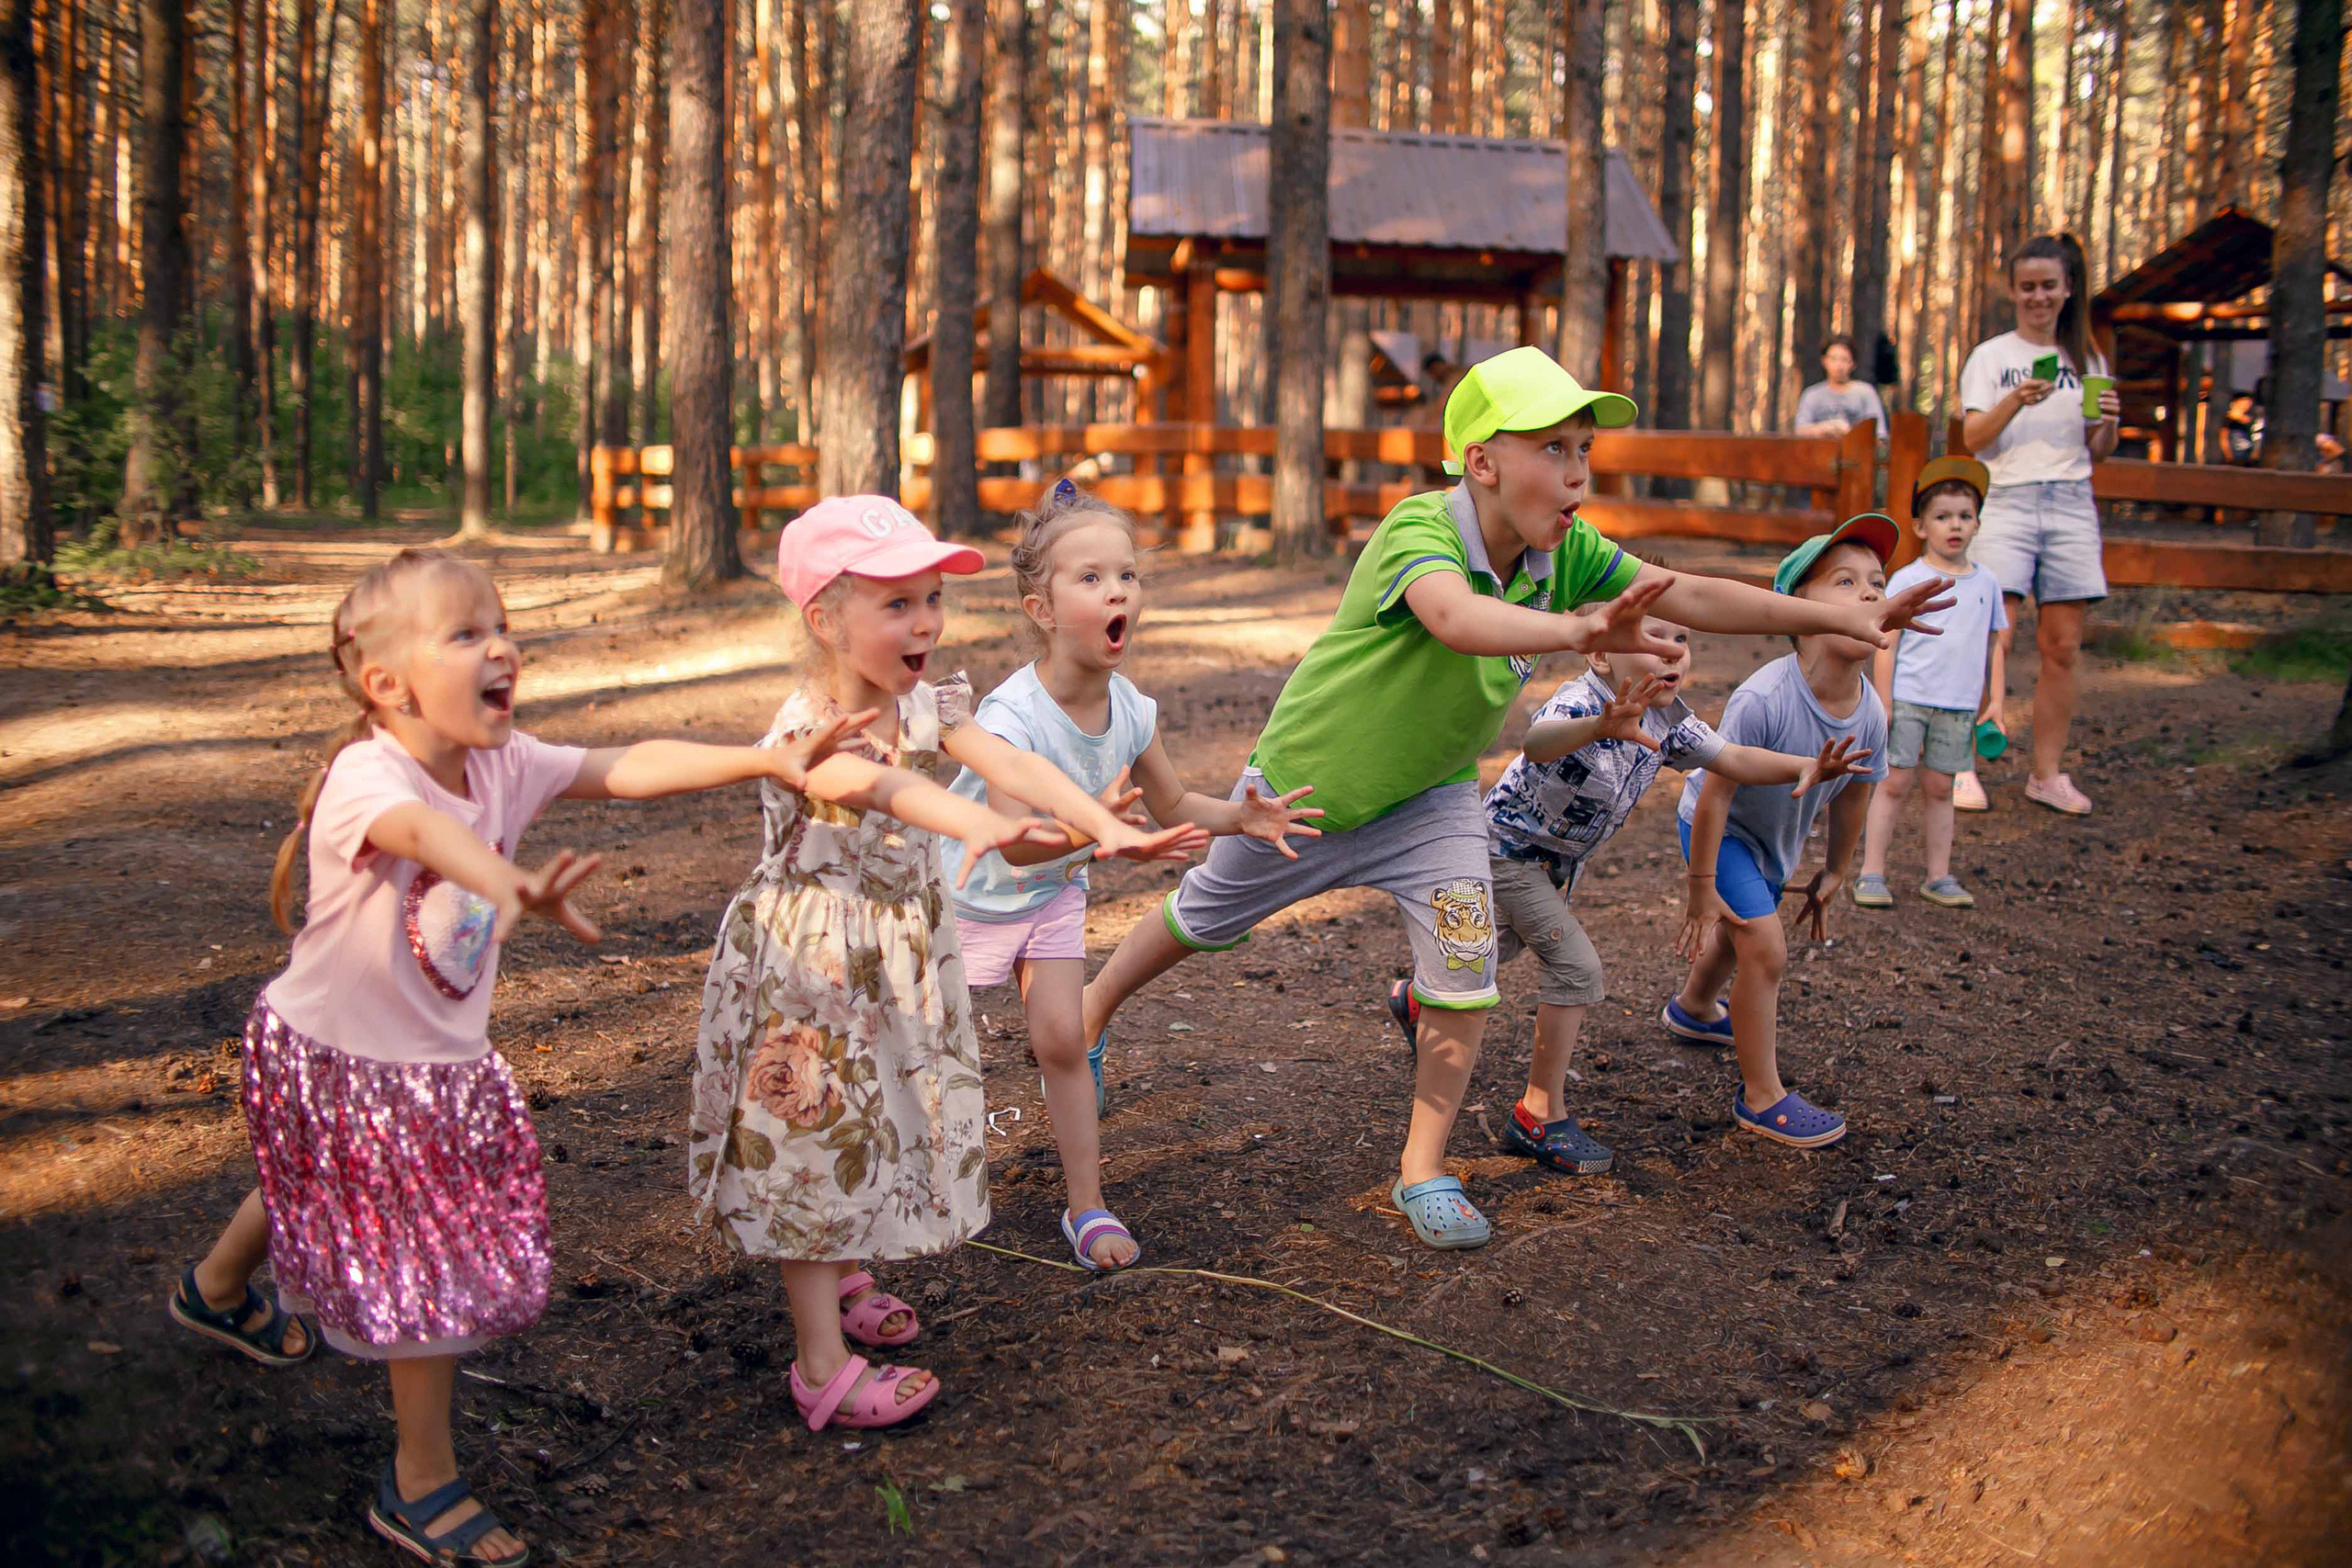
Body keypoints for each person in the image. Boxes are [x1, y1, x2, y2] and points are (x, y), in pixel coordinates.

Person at [1073, 346, 1952, 1250]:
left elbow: (1685, 590)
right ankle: (1090, 1015)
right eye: (1552, 446)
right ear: (1481, 462)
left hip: (1435, 802)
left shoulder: (1563, 550)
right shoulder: (1421, 531)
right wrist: (1574, 628)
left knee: (1462, 982)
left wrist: (1833, 615)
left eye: (1584, 447)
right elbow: (1456, 618)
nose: (1577, 468)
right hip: (1310, 793)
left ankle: (1422, 1168)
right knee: (1201, 918)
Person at [168, 547, 876, 1566]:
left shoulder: (503, 762)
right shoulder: (369, 775)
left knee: (316, 1175)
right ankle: (418, 1484)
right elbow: (419, 829)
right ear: (386, 684)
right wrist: (501, 884)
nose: (501, 646)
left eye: (501, 626)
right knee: (425, 1266)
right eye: (464, 633)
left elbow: (623, 766)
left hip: (417, 1067)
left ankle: (216, 1290)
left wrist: (764, 759)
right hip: (336, 1055)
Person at [686, 497, 1198, 1434]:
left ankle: (842, 1275)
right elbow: (885, 787)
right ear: (825, 619)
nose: (924, 621)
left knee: (870, 1123)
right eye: (896, 604)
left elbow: (1006, 762)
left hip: (888, 964)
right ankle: (819, 1365)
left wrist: (1100, 823)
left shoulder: (926, 701)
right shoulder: (810, 730)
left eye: (931, 599)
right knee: (809, 1147)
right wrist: (984, 825)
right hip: (811, 975)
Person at [942, 480, 1319, 1271]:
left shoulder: (1132, 709)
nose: (1117, 589)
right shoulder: (1012, 716)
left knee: (1061, 1038)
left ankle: (1087, 1206)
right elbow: (1014, 842)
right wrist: (1095, 828)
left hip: (1052, 895)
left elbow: (1173, 799)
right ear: (1040, 610)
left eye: (1127, 575)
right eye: (1090, 578)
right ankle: (910, 1189)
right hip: (964, 896)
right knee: (930, 1050)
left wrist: (1243, 816)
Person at [1416, 612, 1867, 1177]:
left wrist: (1807, 765)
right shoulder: (1583, 702)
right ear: (1602, 657)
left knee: (1492, 952)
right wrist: (1600, 727)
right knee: (1576, 969)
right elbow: (1536, 743)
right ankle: (1539, 1114)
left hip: (1556, 865)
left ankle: (1417, 998)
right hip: (1507, 854)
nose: (1673, 651)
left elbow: (1730, 758)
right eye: (1652, 640)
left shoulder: (1669, 720)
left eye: (1682, 639)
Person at [1664, 516, 1896, 1150]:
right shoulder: (1763, 697)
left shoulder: (1871, 711)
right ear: (1798, 609)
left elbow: (1855, 793)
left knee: (1744, 936)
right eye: (1846, 581)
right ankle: (1761, 1095)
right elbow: (1716, 792)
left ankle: (1693, 1007)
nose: (1872, 592)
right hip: (1719, 830)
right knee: (1764, 946)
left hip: (1774, 841)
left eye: (1879, 581)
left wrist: (1837, 869)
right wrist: (1702, 885)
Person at [1959, 231, 2120, 817]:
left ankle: (2047, 774)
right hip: (2006, 499)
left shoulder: (2089, 357)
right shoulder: (1992, 357)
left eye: (2048, 286)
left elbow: (2099, 447)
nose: (2038, 297)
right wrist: (2015, 401)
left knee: (2062, 647)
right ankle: (1961, 765)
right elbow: (1973, 438)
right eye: (2027, 286)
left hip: (2073, 501)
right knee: (1991, 635)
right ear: (2012, 289)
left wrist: (2107, 422)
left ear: (2068, 288)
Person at [1854, 458, 2006, 908]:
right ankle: (1872, 872)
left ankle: (1938, 875)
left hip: (1957, 707)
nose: (1954, 526)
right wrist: (1884, 701)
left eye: (1964, 516)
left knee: (1942, 788)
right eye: (1942, 517)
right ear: (1921, 527)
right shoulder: (1910, 580)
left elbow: (1996, 644)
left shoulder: (1988, 583)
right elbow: (1889, 643)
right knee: (1893, 784)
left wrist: (1995, 700)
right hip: (1909, 702)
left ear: (1977, 523)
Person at [1793, 334, 1889, 440]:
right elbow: (1800, 430)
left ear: (1853, 363)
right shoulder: (1812, 395)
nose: (1839, 365)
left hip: (1857, 453)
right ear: (1824, 361)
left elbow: (1879, 433)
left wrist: (1850, 433)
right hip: (1820, 453)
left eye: (1844, 359)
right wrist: (1827, 428)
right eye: (1833, 359)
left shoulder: (1866, 393)